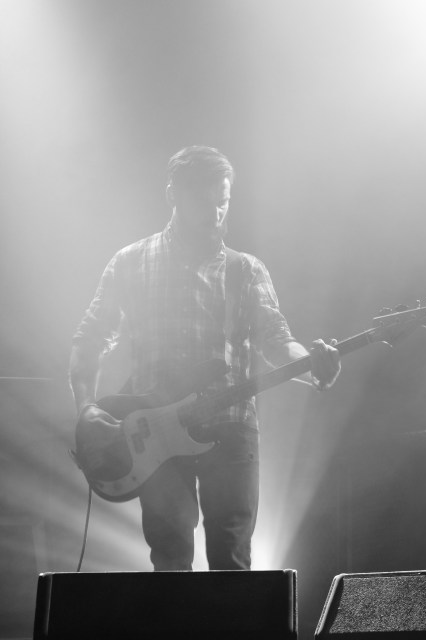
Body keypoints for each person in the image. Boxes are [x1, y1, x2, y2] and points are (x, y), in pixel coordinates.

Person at [69, 145, 341, 571]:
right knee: (170, 558)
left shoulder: (245, 270)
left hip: (231, 427)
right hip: (157, 433)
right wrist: (86, 408)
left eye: (223, 202)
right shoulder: (131, 262)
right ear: (173, 195)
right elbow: (89, 339)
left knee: (232, 559)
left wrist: (314, 363)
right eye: (204, 202)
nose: (215, 214)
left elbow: (277, 340)